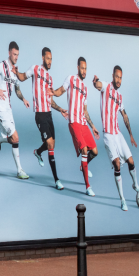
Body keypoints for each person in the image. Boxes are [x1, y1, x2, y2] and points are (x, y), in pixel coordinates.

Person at [16, 47, 69, 190]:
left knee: (52, 144)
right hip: (40, 115)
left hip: (49, 114)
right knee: (50, 144)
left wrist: (60, 109)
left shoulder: (50, 79)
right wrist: (16, 72)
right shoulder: (35, 69)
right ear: (42, 58)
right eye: (47, 58)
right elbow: (22, 77)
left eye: (51, 58)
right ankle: (57, 180)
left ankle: (38, 152)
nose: (50, 61)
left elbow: (50, 100)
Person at [93, 67, 139, 211]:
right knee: (117, 165)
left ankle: (135, 184)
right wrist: (95, 82)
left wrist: (131, 134)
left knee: (131, 161)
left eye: (121, 78)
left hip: (118, 134)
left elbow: (124, 116)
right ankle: (122, 199)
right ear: (112, 76)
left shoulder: (120, 97)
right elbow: (98, 85)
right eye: (117, 77)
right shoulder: (106, 86)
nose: (119, 80)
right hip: (108, 135)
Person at [50, 57, 100, 196]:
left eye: (86, 69)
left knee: (94, 152)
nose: (84, 71)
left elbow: (85, 111)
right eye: (82, 68)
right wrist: (52, 92)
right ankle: (88, 187)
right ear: (78, 67)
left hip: (84, 124)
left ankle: (83, 166)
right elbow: (60, 90)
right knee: (84, 150)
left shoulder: (85, 88)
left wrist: (93, 126)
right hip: (74, 123)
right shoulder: (71, 78)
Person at [0, 41, 30, 179]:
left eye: (18, 55)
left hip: (8, 109)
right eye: (14, 54)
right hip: (0, 108)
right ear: (9, 53)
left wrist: (23, 99)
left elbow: (17, 89)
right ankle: (19, 170)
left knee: (12, 140)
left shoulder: (15, 70)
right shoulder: (2, 66)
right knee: (16, 137)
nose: (16, 57)